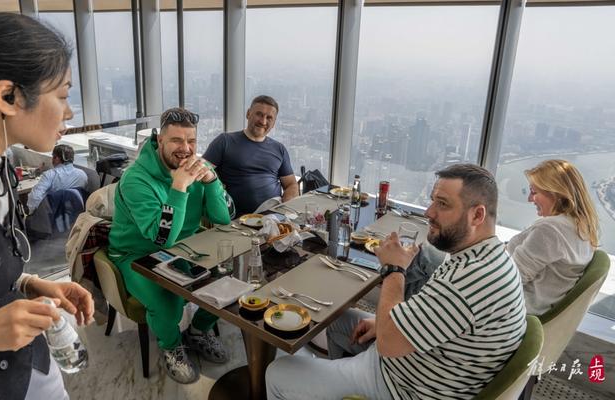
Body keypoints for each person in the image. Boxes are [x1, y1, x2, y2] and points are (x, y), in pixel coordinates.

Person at [266, 164, 527, 400]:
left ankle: (337, 384)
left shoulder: (467, 283)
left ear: (477, 215)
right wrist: (385, 324)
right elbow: (433, 316)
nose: (429, 212)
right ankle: (333, 385)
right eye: (433, 201)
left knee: (277, 372)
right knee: (335, 320)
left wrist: (394, 269)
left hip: (400, 385)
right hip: (418, 362)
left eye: (443, 204)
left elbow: (389, 344)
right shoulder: (487, 257)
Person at [0, 13, 94, 400]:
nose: (69, 113)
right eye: (62, 96)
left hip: (32, 363)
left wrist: (28, 283)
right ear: (8, 96)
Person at [108, 107, 232, 384]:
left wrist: (211, 182)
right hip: (136, 254)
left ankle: (198, 331)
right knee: (168, 302)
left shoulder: (200, 167)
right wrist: (178, 188)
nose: (186, 149)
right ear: (160, 140)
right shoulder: (135, 179)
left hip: (184, 249)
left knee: (229, 281)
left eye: (192, 141)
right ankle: (171, 346)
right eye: (176, 140)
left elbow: (223, 218)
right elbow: (160, 239)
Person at [507, 159, 599, 315]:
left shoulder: (550, 230)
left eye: (534, 192)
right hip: (538, 307)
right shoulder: (582, 226)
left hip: (515, 311)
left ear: (557, 194)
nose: (529, 198)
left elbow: (511, 279)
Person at [203, 95, 298, 216]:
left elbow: (291, 184)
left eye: (269, 117)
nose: (263, 121)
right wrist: (217, 185)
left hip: (273, 216)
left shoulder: (279, 149)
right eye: (259, 114)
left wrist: (285, 208)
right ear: (248, 114)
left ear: (274, 123)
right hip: (236, 219)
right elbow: (201, 171)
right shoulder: (225, 141)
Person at [26, 144, 88, 214]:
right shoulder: (82, 175)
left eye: (53, 156)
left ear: (57, 158)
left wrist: (33, 213)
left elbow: (34, 197)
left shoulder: (50, 174)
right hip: (76, 214)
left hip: (53, 215)